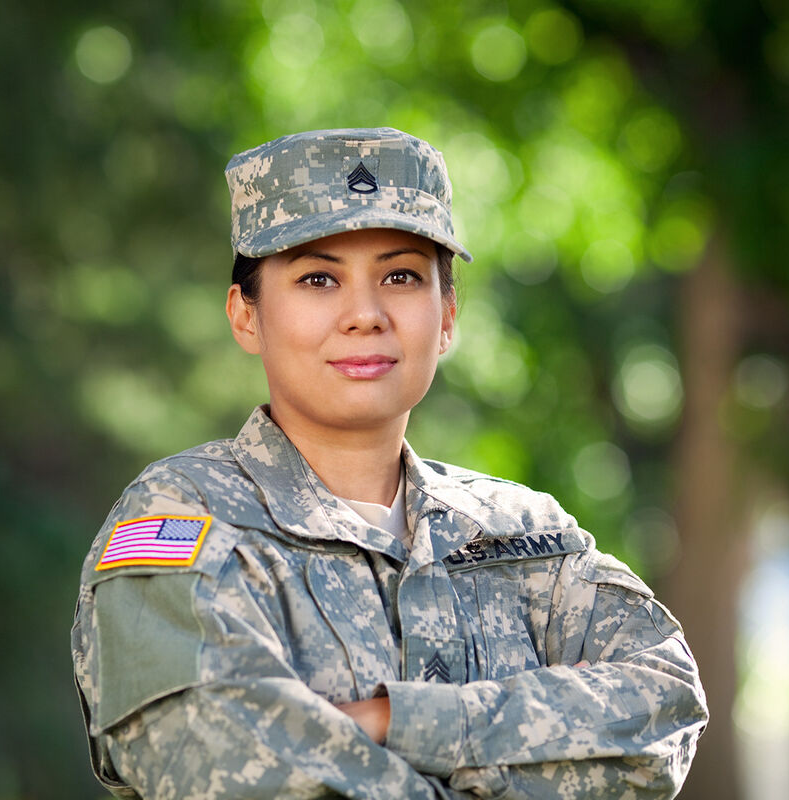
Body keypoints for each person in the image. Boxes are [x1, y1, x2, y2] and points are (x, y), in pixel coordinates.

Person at [71, 127, 708, 799]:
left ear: (448, 315)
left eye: (401, 276)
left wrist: (392, 721)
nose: (365, 315)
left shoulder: (525, 536)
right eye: (318, 278)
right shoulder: (184, 518)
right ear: (246, 316)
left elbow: (664, 707)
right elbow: (233, 775)